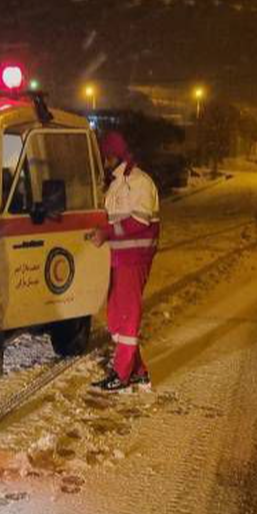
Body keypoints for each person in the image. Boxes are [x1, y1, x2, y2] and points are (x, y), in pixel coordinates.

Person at [90, 131, 160, 391]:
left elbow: (139, 221)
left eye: (105, 155)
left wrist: (107, 232)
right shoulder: (117, 182)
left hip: (134, 257)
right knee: (116, 317)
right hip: (118, 257)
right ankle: (138, 371)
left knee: (127, 316)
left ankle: (121, 374)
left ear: (113, 156)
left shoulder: (139, 182)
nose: (103, 161)